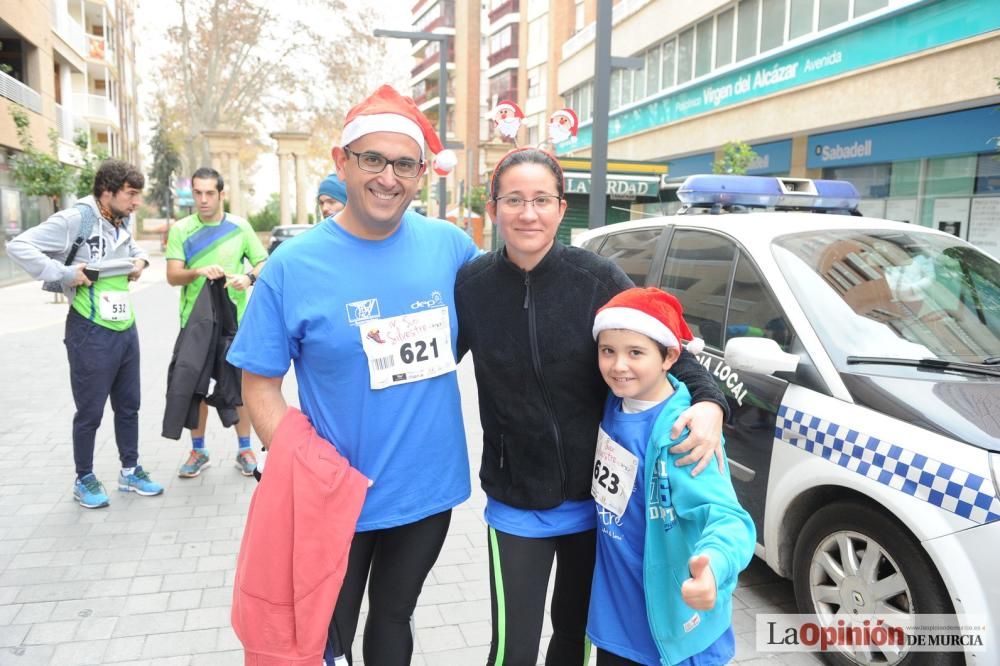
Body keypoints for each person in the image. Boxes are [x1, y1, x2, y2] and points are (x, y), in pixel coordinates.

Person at [227, 84, 473, 666]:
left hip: (425, 489)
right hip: (331, 496)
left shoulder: (451, 248)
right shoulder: (293, 264)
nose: (389, 177)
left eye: (404, 164)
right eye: (372, 160)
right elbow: (258, 380)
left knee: (394, 618)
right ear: (342, 163)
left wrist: (695, 388)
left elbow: (522, 315)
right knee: (323, 634)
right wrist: (298, 464)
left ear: (421, 174)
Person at [454, 147, 730, 666]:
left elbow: (669, 348)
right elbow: (431, 365)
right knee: (511, 649)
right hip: (517, 503)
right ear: (494, 209)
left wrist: (712, 404)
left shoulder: (596, 278)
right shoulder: (471, 286)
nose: (528, 213)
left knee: (575, 639)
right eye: (514, 199)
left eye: (541, 199)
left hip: (598, 506)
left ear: (561, 207)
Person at [588, 287, 755, 666]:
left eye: (636, 353)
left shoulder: (684, 433)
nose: (618, 366)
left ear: (670, 357)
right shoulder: (615, 403)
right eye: (607, 351)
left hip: (676, 626)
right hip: (617, 621)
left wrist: (714, 566)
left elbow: (728, 517)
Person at [7, 159, 163, 508]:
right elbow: (19, 246)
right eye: (131, 195)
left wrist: (141, 262)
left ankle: (130, 470)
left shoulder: (121, 218)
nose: (137, 202)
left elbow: (132, 249)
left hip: (125, 326)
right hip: (89, 329)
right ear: (107, 192)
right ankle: (84, 478)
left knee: (129, 405)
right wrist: (63, 273)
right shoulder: (76, 218)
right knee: (90, 410)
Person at [165, 167, 268, 478]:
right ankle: (198, 451)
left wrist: (246, 278)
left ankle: (245, 449)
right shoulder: (181, 229)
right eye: (197, 193)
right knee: (193, 388)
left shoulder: (240, 227)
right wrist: (196, 272)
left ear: (222, 194)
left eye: (210, 193)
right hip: (194, 324)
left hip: (234, 324)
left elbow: (264, 263)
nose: (203, 199)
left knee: (239, 387)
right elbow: (172, 276)